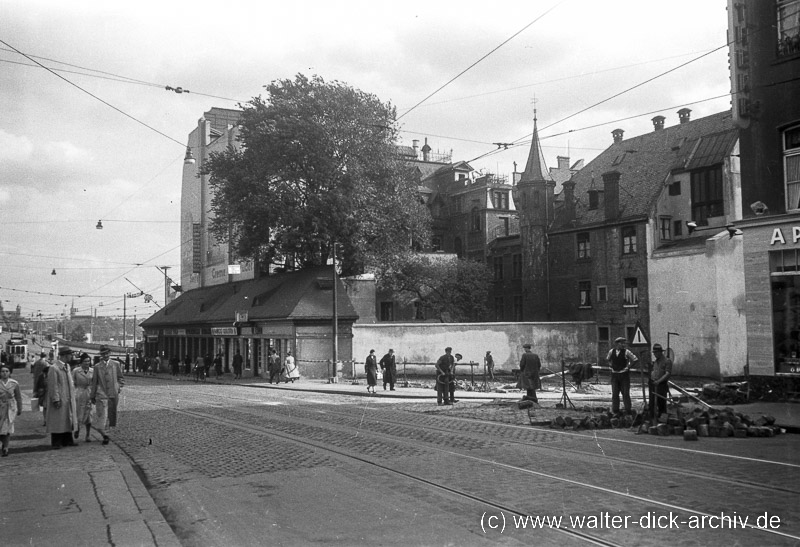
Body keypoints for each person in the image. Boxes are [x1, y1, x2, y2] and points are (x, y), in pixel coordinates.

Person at [90, 345, 124, 446]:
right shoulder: (97, 366)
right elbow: (94, 382)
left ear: (110, 353)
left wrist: (118, 387)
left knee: (110, 414)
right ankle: (105, 434)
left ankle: (106, 434)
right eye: (103, 353)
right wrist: (92, 395)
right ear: (101, 355)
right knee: (102, 415)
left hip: (113, 394)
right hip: (101, 394)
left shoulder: (116, 364)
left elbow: (120, 378)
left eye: (107, 353)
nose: (105, 355)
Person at [46, 346, 78, 449]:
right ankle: (56, 441)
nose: (71, 356)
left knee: (67, 419)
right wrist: (56, 399)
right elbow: (53, 384)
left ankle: (67, 440)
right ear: (65, 356)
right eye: (70, 355)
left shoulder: (67, 367)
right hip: (60, 398)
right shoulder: (54, 368)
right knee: (57, 420)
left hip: (68, 398)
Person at [606, 337, 638, 415]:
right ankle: (615, 410)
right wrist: (611, 365)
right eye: (622, 343)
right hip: (615, 375)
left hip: (624, 375)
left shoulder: (626, 352)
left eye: (624, 343)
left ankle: (628, 410)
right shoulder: (611, 351)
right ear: (617, 344)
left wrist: (628, 367)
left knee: (626, 393)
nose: (623, 345)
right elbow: (608, 359)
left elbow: (635, 359)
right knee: (615, 393)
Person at [0, 363, 23, 457]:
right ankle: (3, 443)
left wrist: (20, 408)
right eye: (2, 371)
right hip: (0, 407)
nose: (5, 373)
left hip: (10, 408)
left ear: (10, 373)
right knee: (1, 428)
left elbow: (18, 397)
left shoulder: (14, 383)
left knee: (8, 428)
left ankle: (6, 447)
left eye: (7, 371)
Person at [72, 353, 94, 442]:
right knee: (79, 414)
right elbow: (72, 383)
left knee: (89, 415)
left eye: (88, 361)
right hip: (79, 393)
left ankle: (88, 435)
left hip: (89, 393)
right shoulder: (76, 371)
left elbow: (95, 382)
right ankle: (77, 430)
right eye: (85, 361)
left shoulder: (93, 371)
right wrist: (74, 392)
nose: (87, 363)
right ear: (81, 362)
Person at [649, 343, 672, 419]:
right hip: (653, 384)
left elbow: (667, 374)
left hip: (661, 385)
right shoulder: (655, 361)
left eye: (655, 353)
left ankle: (663, 421)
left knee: (661, 403)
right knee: (652, 403)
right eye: (654, 353)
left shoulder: (667, 361)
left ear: (660, 352)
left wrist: (658, 381)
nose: (654, 354)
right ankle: (653, 420)